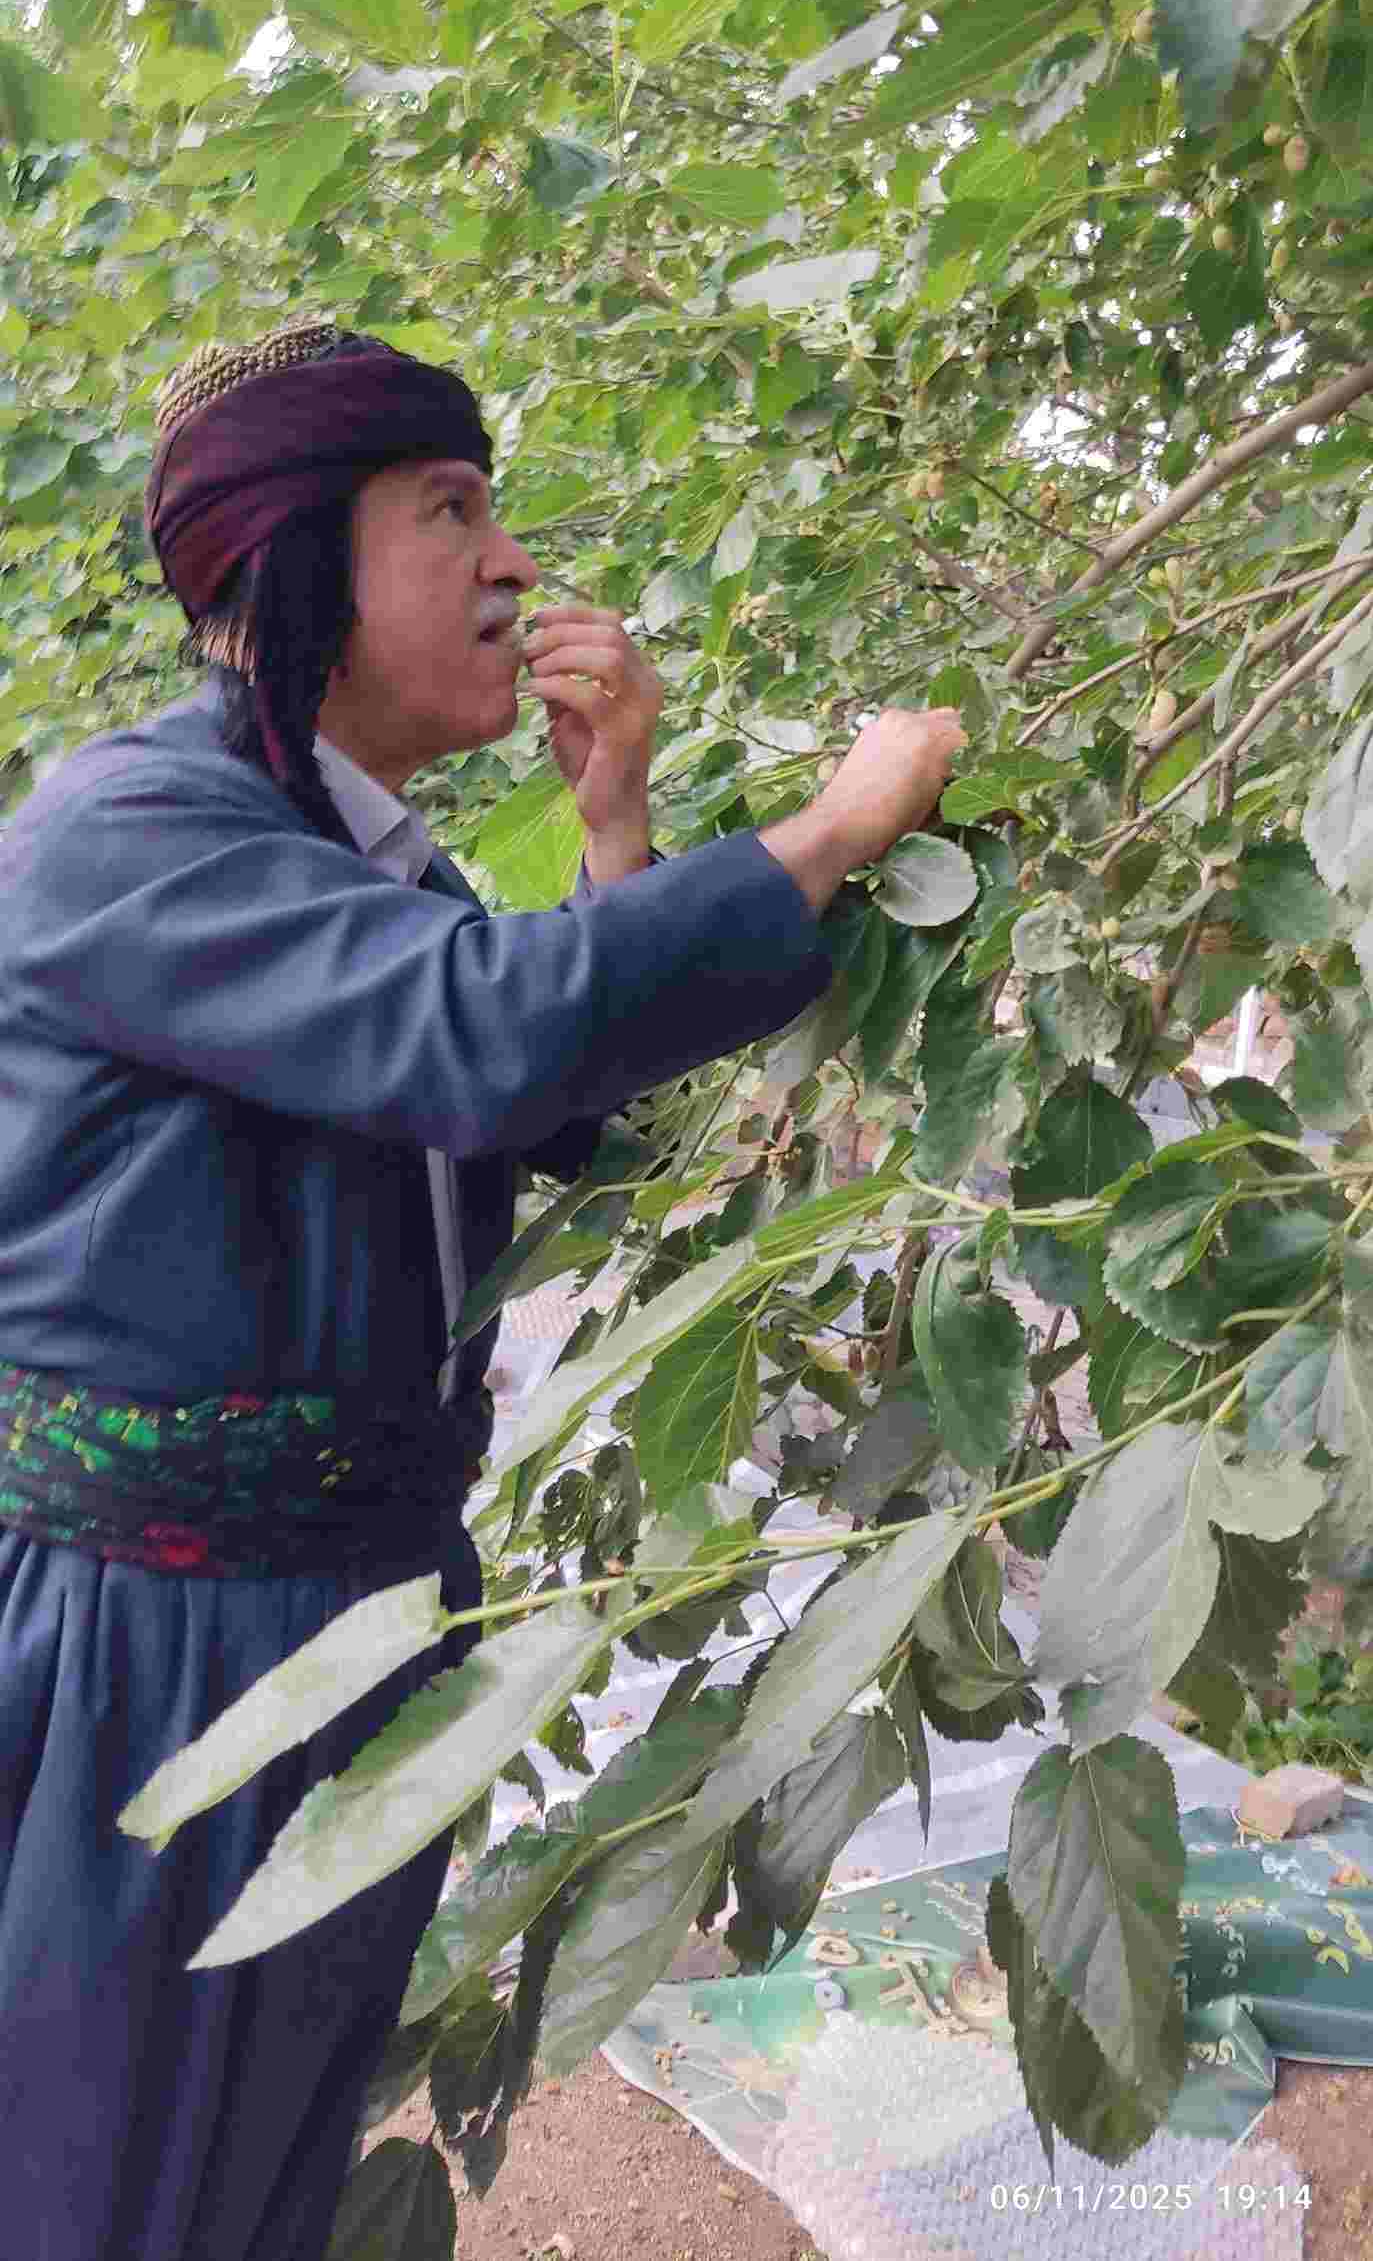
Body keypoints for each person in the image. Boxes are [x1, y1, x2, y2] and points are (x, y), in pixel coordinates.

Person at [0, 318, 965, 2261]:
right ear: (291, 561)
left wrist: (616, 828)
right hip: (154, 1634)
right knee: (109, 2167)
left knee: (260, 2140)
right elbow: (477, 1035)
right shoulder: (131, 830)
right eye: (449, 511)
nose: (513, 563)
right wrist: (838, 826)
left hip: (334, 1611)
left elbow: (560, 1121)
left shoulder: (362, 864)